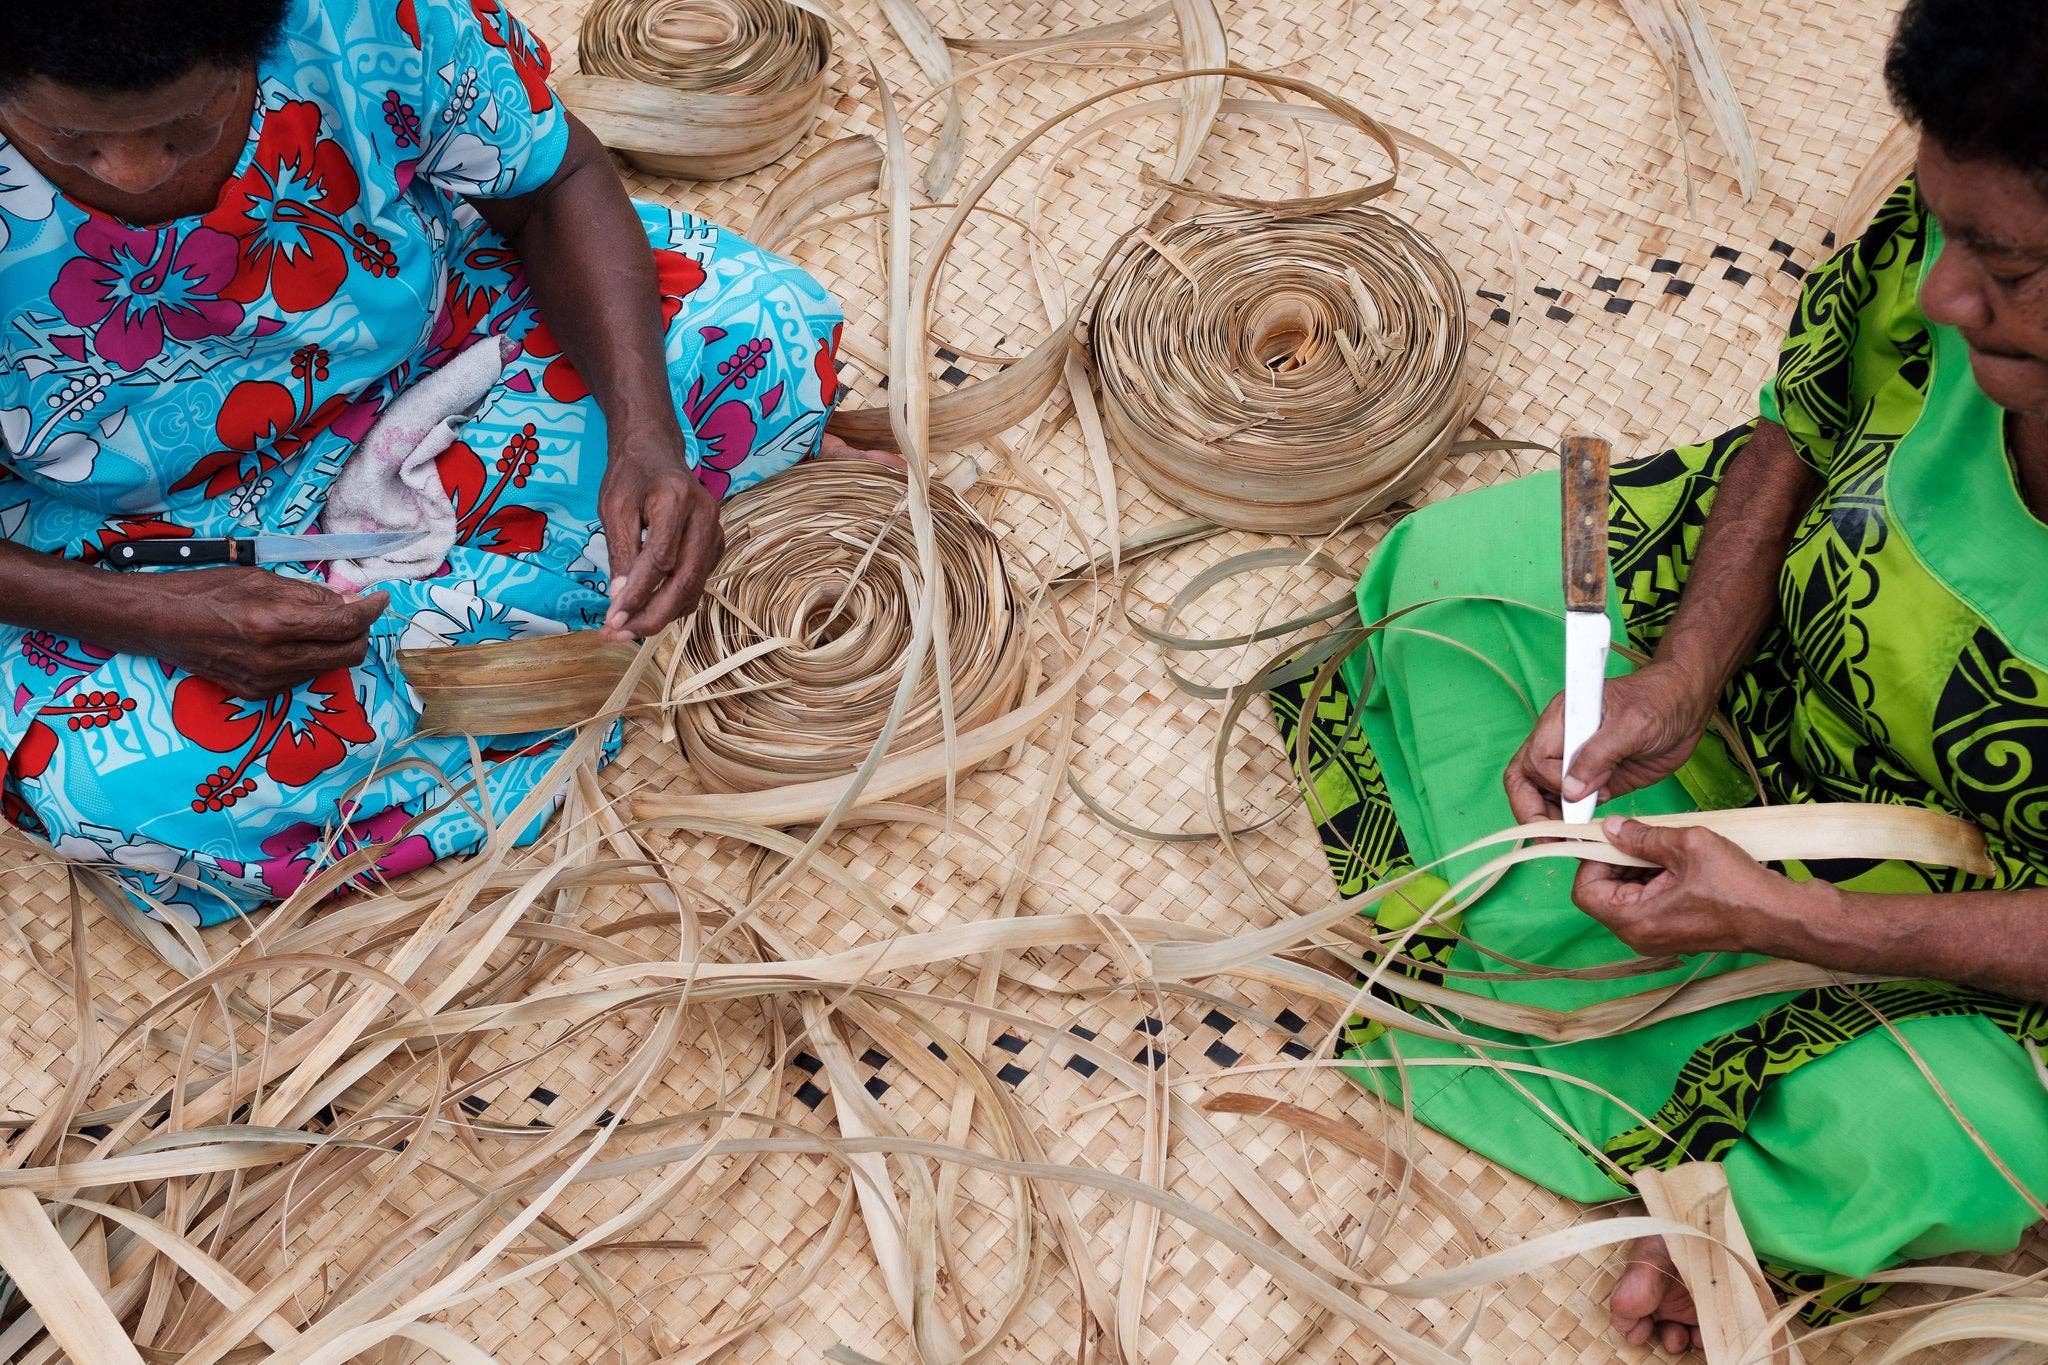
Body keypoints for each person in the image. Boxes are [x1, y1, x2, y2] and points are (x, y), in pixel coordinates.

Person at [1271, 0, 2048, 1351]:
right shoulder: (1952, 251)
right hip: (1776, 683)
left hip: (1974, 934)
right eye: (1940, 229)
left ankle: (1657, 1054)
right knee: (1460, 569)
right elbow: (1798, 428)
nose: (1941, 294)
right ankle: (1635, 1006)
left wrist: (1795, 926)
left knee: (1926, 1132)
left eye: (2005, 265)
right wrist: (1679, 678)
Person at [0, 0, 868, 925]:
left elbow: (554, 182)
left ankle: (468, 661)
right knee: (114, 787)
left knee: (752, 322)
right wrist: (155, 617)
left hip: (440, 359)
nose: (132, 168)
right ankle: (536, 627)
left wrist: (645, 437)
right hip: (143, 535)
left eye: (189, 125)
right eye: (67, 137)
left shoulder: (362, 17)